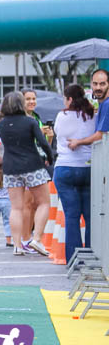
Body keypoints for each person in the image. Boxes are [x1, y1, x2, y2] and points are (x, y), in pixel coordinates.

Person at [0, 92, 55, 257]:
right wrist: (50, 158)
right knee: (43, 203)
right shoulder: (30, 122)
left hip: (10, 168)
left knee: (16, 207)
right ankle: (36, 239)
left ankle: (17, 245)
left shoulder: (0, 125)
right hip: (32, 166)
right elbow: (43, 143)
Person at [53, 83, 96, 263]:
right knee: (90, 214)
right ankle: (92, 255)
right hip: (88, 168)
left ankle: (74, 260)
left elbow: (57, 133)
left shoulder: (62, 116)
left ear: (69, 99)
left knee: (71, 215)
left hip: (65, 168)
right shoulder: (92, 114)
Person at [66, 69, 109, 151]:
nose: (98, 87)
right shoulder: (102, 104)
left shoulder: (107, 104)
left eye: (102, 84)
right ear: (91, 84)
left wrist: (78, 142)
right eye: (95, 84)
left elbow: (100, 135)